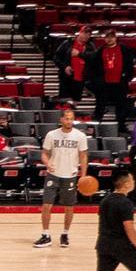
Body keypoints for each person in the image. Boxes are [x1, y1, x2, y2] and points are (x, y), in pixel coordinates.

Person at [34, 106, 89, 248]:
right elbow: (44, 153)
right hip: (53, 174)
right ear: (61, 119)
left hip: (70, 175)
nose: (69, 121)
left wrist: (83, 175)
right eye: (67, 118)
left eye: (71, 119)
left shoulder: (80, 136)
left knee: (69, 207)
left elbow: (83, 156)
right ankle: (46, 235)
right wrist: (47, 163)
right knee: (46, 205)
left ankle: (65, 234)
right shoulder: (52, 135)